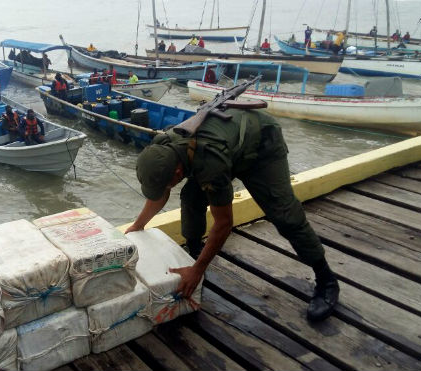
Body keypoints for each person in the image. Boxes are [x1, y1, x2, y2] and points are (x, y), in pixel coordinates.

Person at [125, 107, 340, 323]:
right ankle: (194, 251)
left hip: (261, 146)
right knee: (191, 197)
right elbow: (161, 193)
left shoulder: (209, 164)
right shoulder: (162, 147)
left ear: (178, 172)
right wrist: (138, 226)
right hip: (228, 146)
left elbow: (224, 223)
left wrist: (198, 270)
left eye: (167, 183)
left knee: (285, 215)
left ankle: (326, 280)